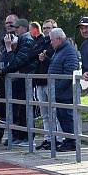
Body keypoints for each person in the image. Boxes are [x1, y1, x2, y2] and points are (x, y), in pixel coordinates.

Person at [0, 18, 36, 147]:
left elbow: (17, 62)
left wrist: (9, 49)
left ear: (24, 28)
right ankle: (19, 136)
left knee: (24, 109)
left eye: (17, 28)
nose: (15, 30)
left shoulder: (27, 40)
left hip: (25, 80)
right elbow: (9, 61)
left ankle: (27, 138)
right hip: (20, 81)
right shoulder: (21, 40)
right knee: (18, 109)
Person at [47, 28, 80, 151]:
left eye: (52, 40)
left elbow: (69, 72)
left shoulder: (69, 51)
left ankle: (71, 142)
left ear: (59, 39)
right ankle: (68, 140)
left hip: (65, 92)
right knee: (62, 116)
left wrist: (58, 88)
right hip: (59, 91)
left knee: (67, 116)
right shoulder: (61, 50)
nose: (50, 43)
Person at [34, 19, 57, 150]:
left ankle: (58, 138)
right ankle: (48, 138)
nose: (46, 30)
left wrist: (46, 58)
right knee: (44, 114)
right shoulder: (41, 42)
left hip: (51, 82)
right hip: (40, 81)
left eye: (49, 28)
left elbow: (56, 62)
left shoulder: (57, 44)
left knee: (55, 111)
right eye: (44, 28)